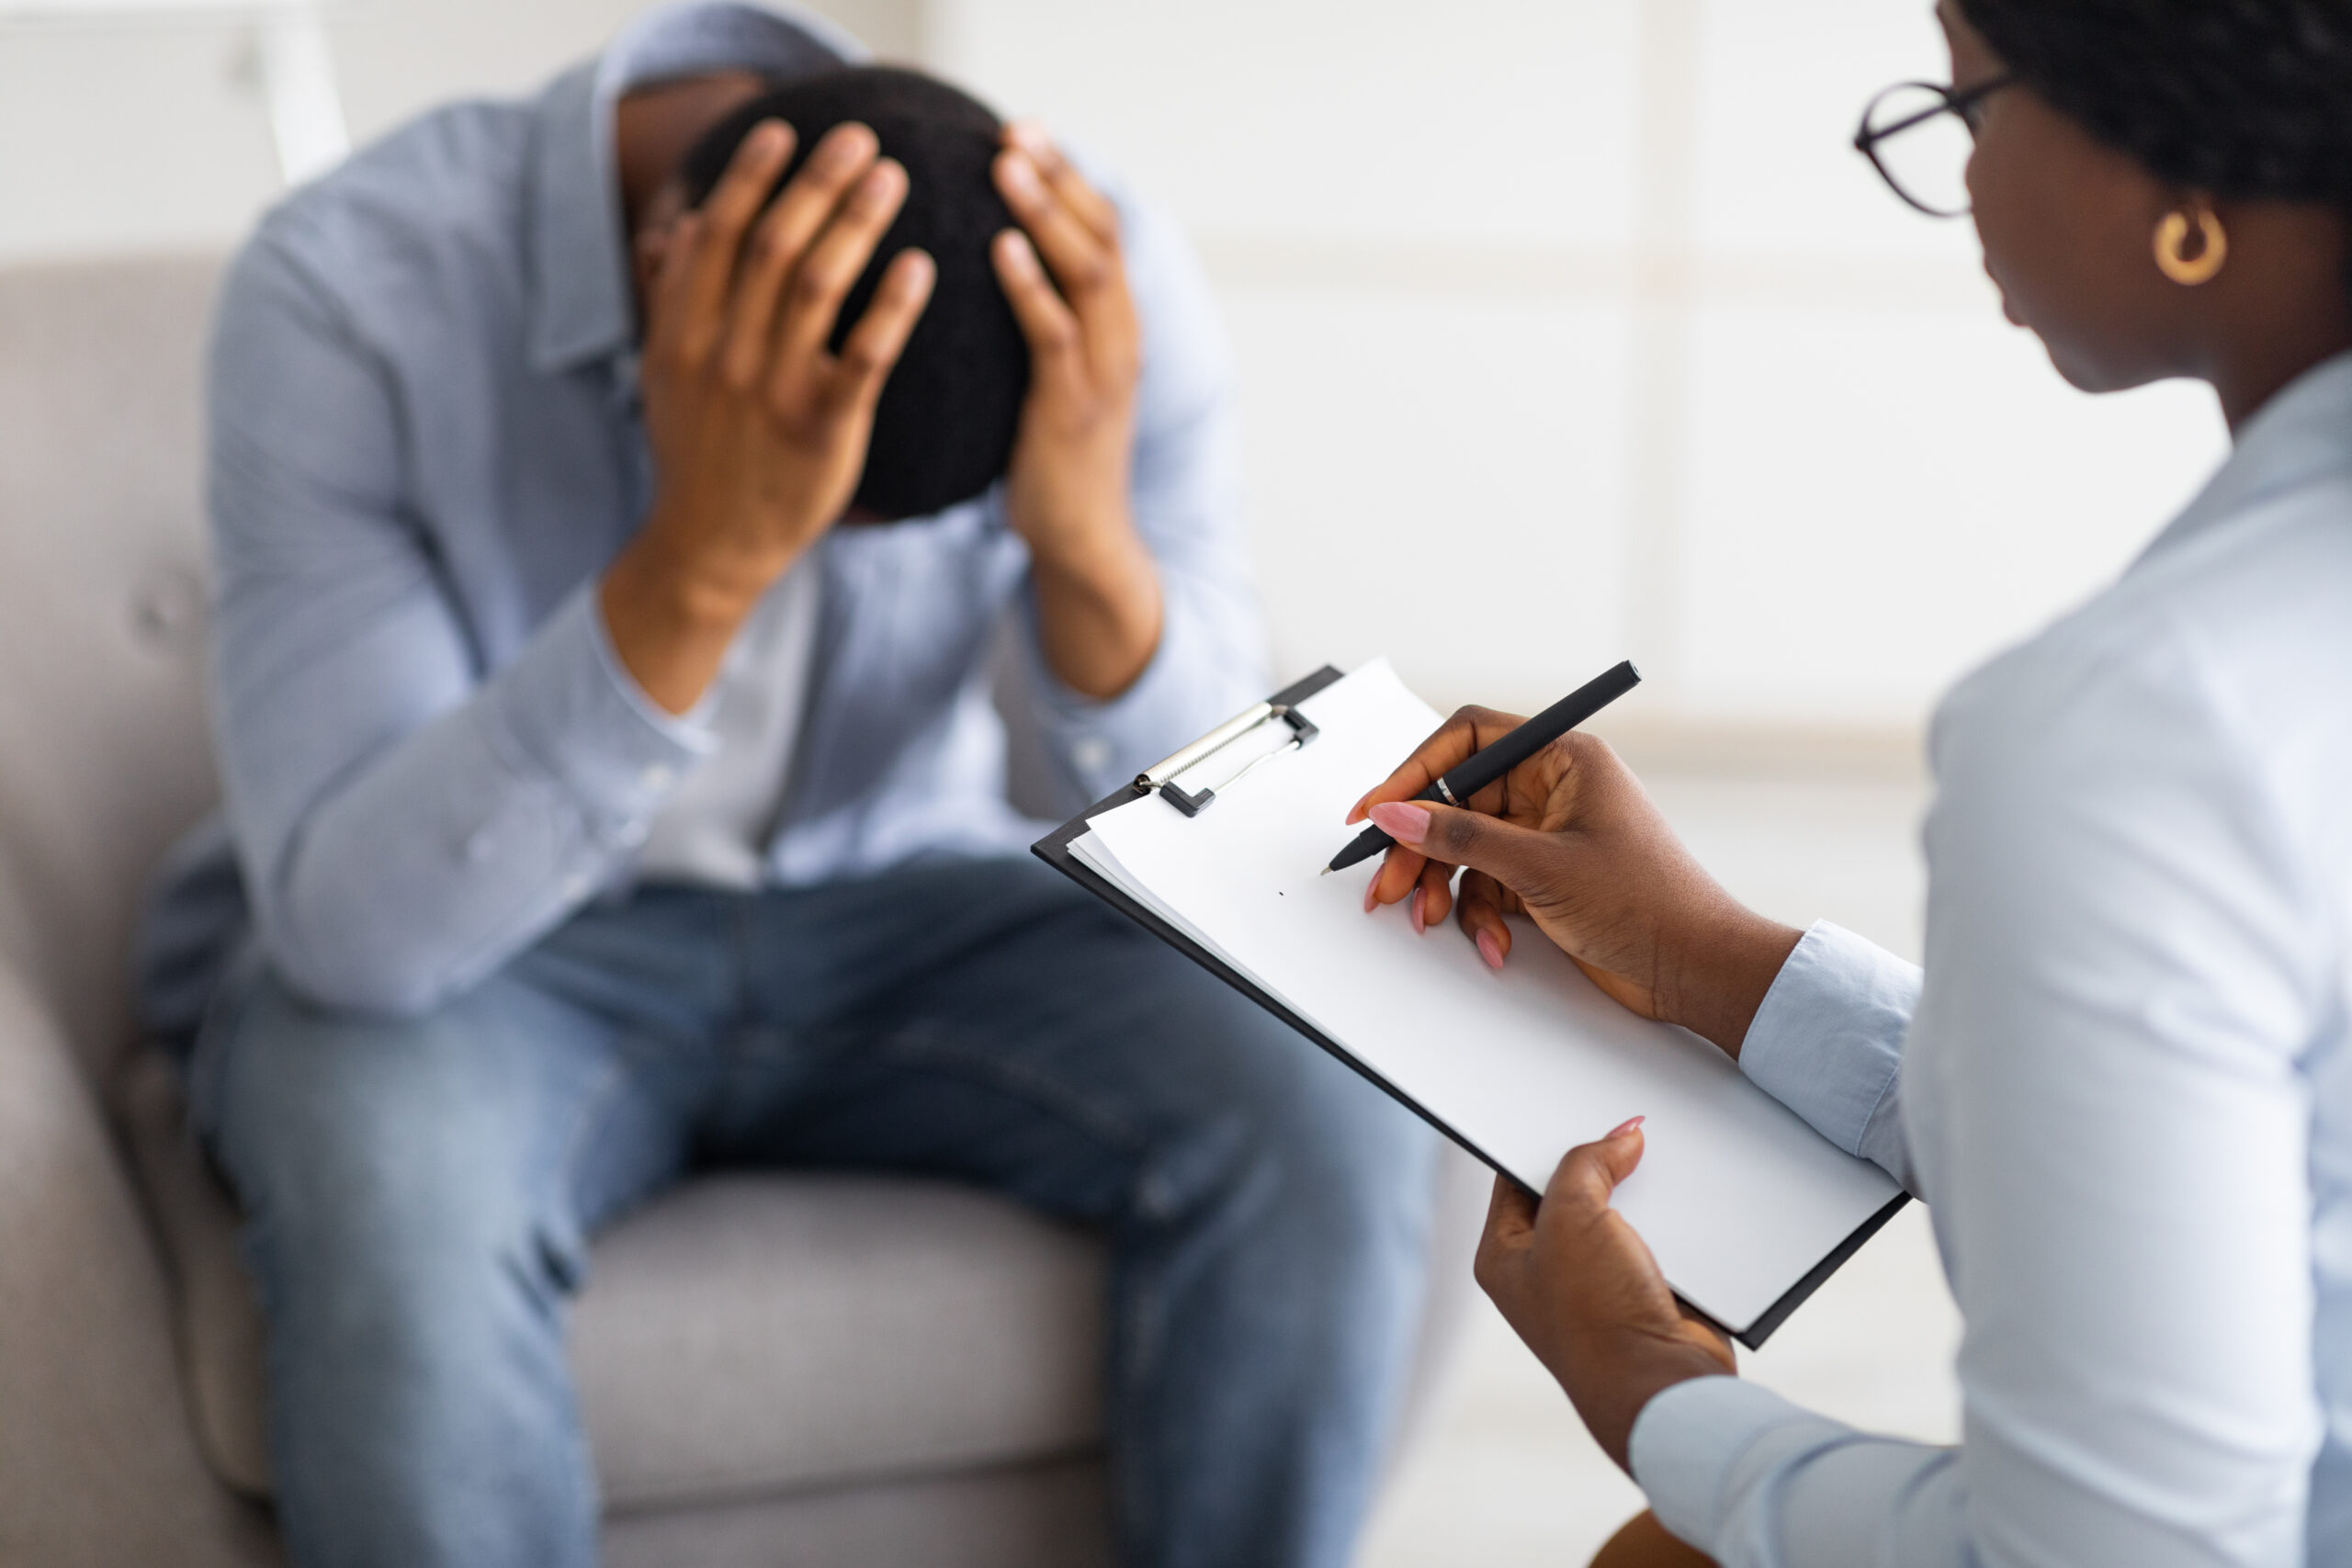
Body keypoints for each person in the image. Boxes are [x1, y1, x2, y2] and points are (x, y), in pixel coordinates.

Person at [139, 6, 1435, 1566]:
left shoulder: (1078, 272)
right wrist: (702, 555)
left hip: (918, 908)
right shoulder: (350, 290)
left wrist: (1086, 548)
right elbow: (357, 933)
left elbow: (1215, 846)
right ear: (663, 267)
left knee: (1323, 1079)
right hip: (501, 958)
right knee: (374, 1150)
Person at [1351, 1, 2352, 1563]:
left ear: (2177, 162)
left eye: (1968, 105)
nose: (1959, 182)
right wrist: (1707, 957)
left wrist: (1657, 1398)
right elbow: (2270, 1190)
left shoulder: (2142, 731)